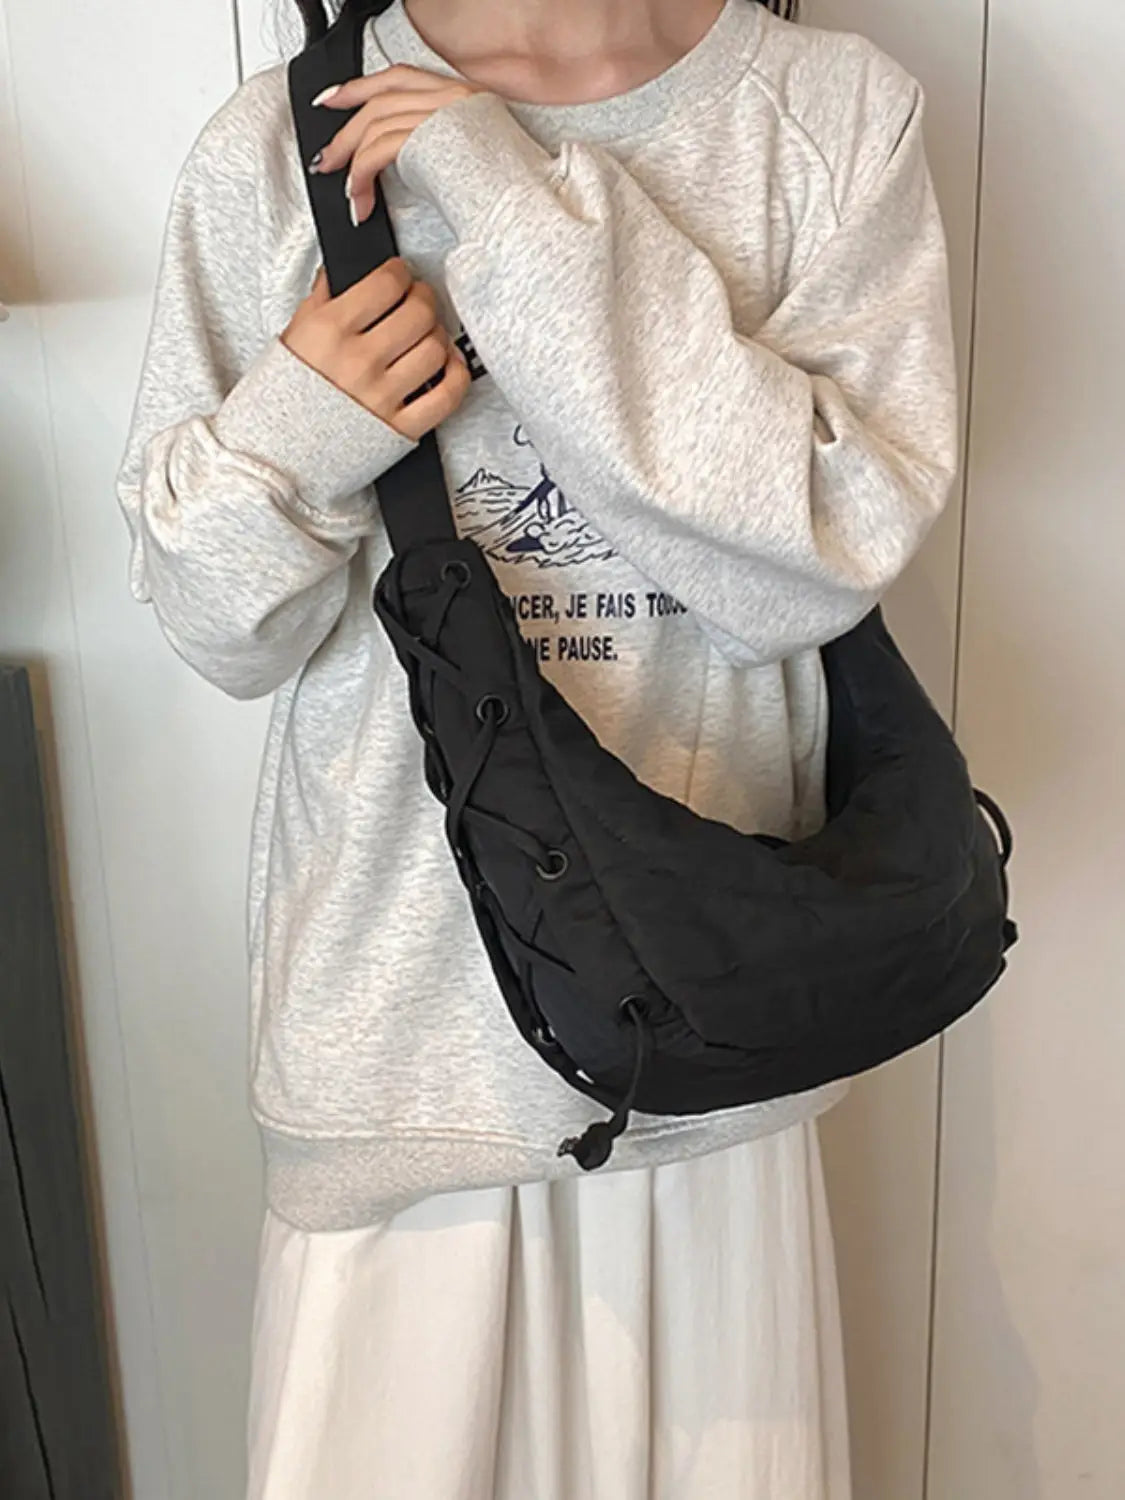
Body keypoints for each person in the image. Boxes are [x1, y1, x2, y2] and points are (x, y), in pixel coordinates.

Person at [115, 0, 957, 1495]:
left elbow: (818, 558)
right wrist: (303, 424)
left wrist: (512, 207)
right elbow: (215, 628)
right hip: (400, 1063)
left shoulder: (826, 117)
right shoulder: (280, 141)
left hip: (710, 1051)